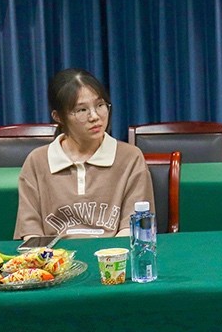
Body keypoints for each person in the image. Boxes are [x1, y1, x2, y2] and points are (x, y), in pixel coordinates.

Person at [14, 69, 154, 239]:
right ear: (58, 116)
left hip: (113, 253)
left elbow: (133, 228)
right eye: (81, 110)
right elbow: (31, 233)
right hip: (55, 255)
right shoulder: (37, 161)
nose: (94, 116)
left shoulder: (130, 157)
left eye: (100, 105)